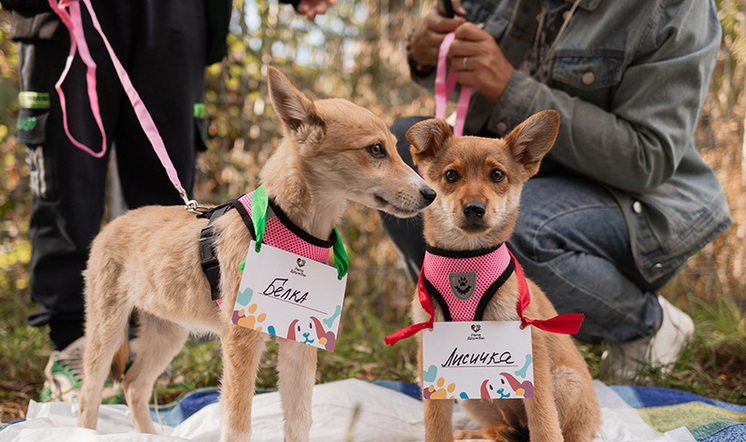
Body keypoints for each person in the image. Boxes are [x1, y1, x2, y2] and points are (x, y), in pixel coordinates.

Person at [2, 0, 335, 402]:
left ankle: (153, 346)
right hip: (69, 14)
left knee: (167, 196)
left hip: (178, 13)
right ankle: (74, 341)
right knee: (67, 179)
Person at [381, 0, 733, 380]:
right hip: (515, 174)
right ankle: (459, 333)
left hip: (635, 197)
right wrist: (424, 53)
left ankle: (645, 324)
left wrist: (509, 88)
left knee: (517, 228)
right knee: (396, 158)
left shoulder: (674, 8)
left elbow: (649, 157)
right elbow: (458, 69)